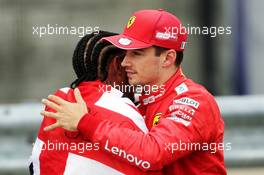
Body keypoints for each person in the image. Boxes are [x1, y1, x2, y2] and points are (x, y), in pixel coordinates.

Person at [42, 9, 227, 174]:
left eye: (136, 54)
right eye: (125, 53)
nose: (124, 63)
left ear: (168, 58)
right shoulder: (135, 98)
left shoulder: (193, 100)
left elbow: (152, 154)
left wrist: (84, 122)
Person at [30, 31, 162, 175]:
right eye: (128, 60)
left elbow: (35, 163)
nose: (130, 67)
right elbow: (150, 164)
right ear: (117, 65)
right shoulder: (124, 110)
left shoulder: (60, 98)